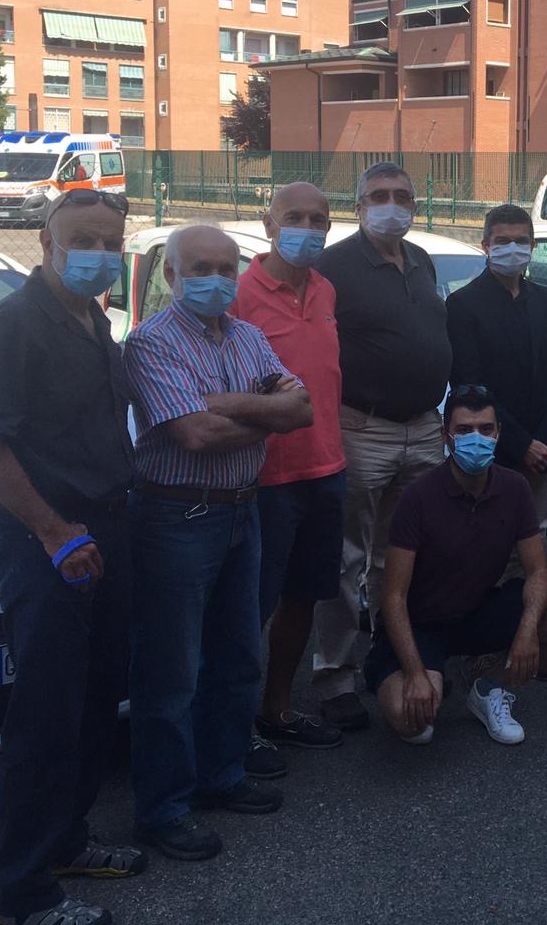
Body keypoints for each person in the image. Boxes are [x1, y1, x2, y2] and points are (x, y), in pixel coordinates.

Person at [0, 189, 141, 925]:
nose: (98, 253)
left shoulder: (94, 320)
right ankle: (23, 892)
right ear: (46, 242)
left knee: (94, 701)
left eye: (109, 241)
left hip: (104, 534)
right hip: (50, 543)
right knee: (44, 716)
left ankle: (66, 842)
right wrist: (52, 531)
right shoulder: (14, 326)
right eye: (82, 239)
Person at [123, 225, 313, 861]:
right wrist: (263, 417)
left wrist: (223, 403)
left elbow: (303, 409)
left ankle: (220, 774)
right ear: (170, 275)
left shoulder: (249, 336)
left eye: (226, 268)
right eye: (199, 268)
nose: (216, 279)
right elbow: (196, 436)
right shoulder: (151, 342)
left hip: (240, 511)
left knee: (237, 656)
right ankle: (163, 809)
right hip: (175, 518)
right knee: (171, 671)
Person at [312, 162, 450, 728]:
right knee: (347, 557)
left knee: (403, 554)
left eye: (401, 195)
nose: (391, 204)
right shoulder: (333, 266)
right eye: (379, 195)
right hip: (364, 428)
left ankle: (393, 659)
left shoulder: (421, 260)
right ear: (359, 205)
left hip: (424, 427)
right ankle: (335, 677)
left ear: (415, 204)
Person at [369, 388, 547, 745]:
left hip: (477, 611)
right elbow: (393, 598)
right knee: (414, 724)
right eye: (464, 430)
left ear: (499, 433)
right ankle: (427, 674)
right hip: (422, 623)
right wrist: (416, 674)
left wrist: (527, 631)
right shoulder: (418, 496)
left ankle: (489, 686)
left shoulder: (515, 487)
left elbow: (538, 571)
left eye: (486, 429)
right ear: (446, 437)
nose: (477, 439)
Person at [229, 183, 347, 783]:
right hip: (266, 477)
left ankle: (276, 708)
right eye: (293, 217)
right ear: (268, 223)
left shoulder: (325, 289)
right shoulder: (239, 293)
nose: (306, 227)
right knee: (251, 608)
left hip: (326, 469)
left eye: (317, 219)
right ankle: (234, 729)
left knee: (304, 597)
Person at [446, 203, 547, 545]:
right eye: (503, 241)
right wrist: (521, 445)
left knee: (534, 536)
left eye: (521, 241)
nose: (513, 248)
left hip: (543, 452)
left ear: (533, 246)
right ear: (486, 245)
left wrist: (544, 439)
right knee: (488, 539)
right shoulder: (463, 305)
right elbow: (469, 383)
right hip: (492, 449)